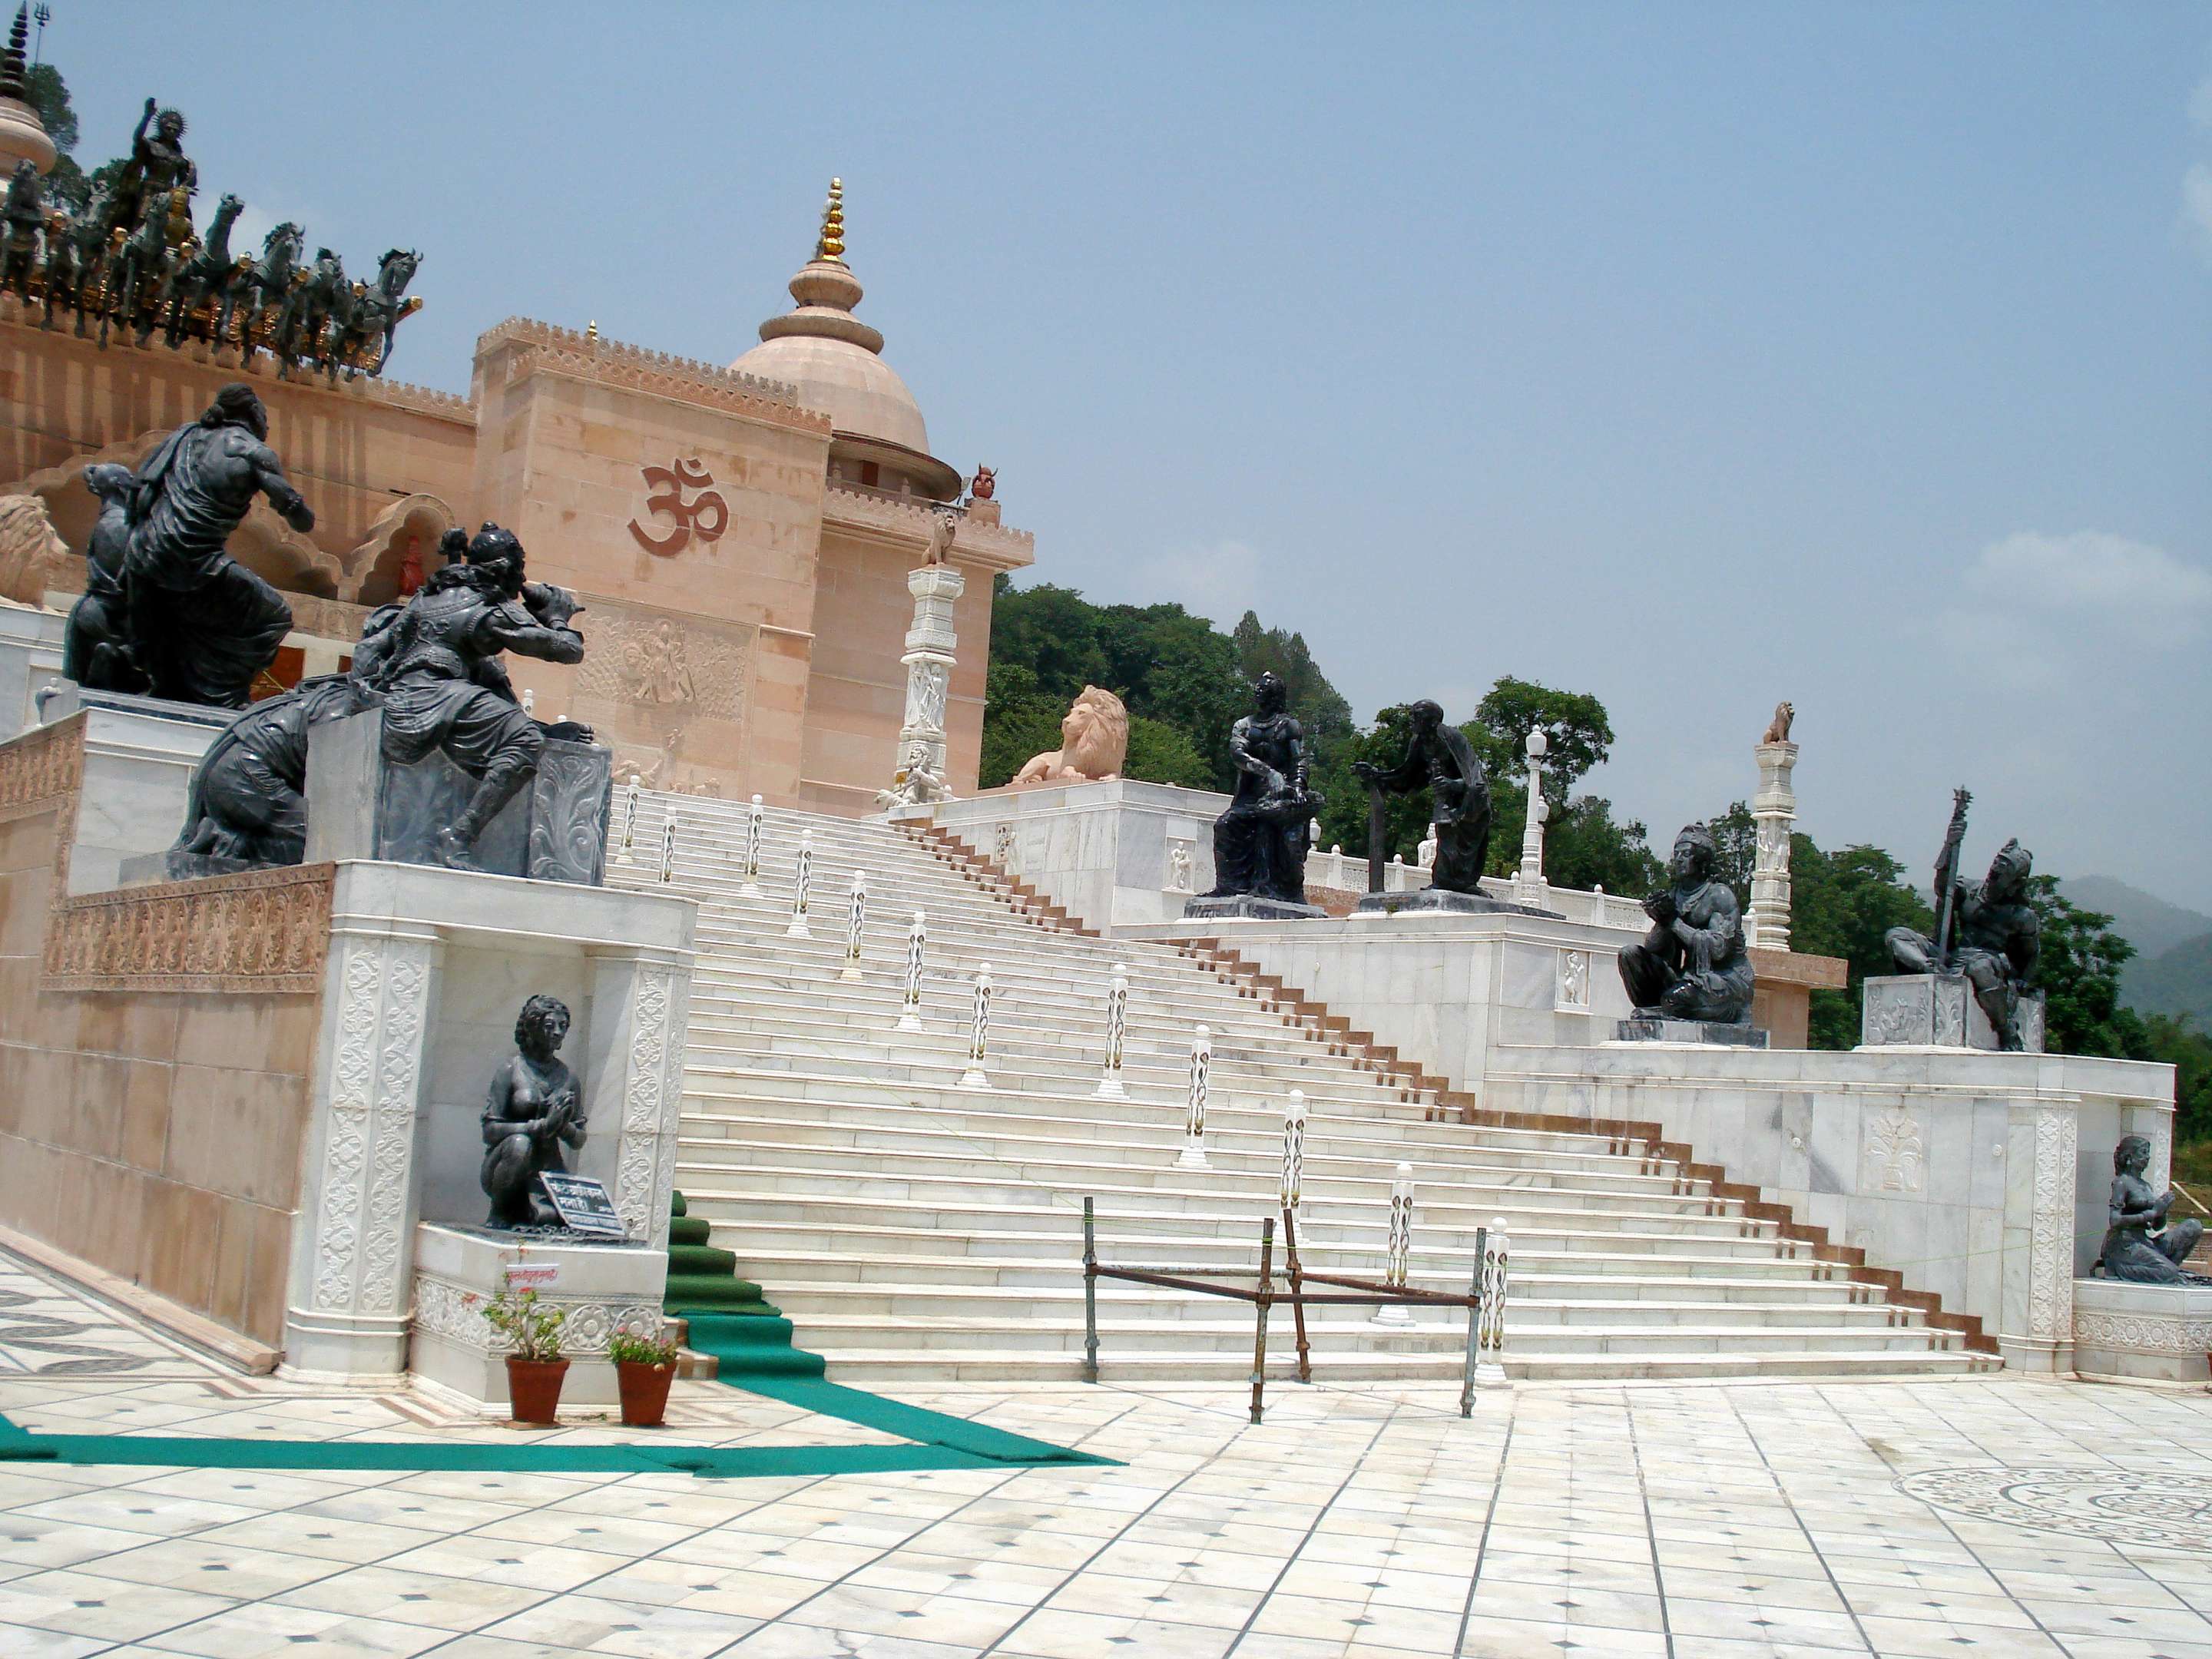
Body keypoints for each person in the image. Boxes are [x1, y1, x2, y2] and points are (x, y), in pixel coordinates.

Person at [353, 523, 588, 871]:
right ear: (507, 570)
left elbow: (371, 647)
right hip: (438, 696)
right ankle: (459, 837)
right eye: (520, 569)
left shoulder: (427, 598)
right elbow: (568, 650)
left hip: (403, 696)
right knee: (523, 740)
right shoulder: (489, 607)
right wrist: (556, 617)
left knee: (493, 681)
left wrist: (365, 690)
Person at [121, 383, 308, 706]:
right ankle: (220, 695)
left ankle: (178, 686)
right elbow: (302, 521)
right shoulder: (253, 452)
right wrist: (296, 504)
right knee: (274, 616)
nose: (268, 424)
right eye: (265, 415)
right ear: (252, 414)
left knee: (201, 614)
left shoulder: (185, 437)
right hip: (193, 563)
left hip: (143, 555)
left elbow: (139, 494)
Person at [1886, 810, 2039, 1051]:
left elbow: (2031, 955)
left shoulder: (2021, 916)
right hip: (1953, 952)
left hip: (1987, 959)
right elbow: (1942, 887)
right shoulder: (1968, 890)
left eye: (2000, 876)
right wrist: (1949, 844)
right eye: (1993, 871)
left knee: (1980, 969)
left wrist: (2022, 982)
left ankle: (2006, 1030)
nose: (1992, 878)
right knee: (1897, 935)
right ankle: (1927, 966)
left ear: (2014, 883)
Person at [1203, 671, 1323, 905]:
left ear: (1275, 695)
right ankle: (1229, 887)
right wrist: (1269, 772)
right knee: (1225, 825)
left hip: (1283, 797)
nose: (1258, 691)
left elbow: (1300, 760)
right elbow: (1238, 754)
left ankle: (1278, 888)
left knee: (1277, 831)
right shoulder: (1244, 725)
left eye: (1263, 689)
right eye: (1257, 688)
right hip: (1251, 797)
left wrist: (1298, 787)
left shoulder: (1289, 726)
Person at [1619, 823, 1757, 1023]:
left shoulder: (1719, 895)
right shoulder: (1676, 894)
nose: (1678, 859)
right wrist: (1660, 919)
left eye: (1685, 854)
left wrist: (1673, 921)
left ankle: (1665, 1009)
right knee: (1630, 955)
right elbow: (1654, 948)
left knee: (1678, 997)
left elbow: (1717, 949)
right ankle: (1660, 1008)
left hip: (1723, 982)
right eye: (1676, 854)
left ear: (1701, 859)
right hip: (1689, 978)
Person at [1354, 700, 1492, 894]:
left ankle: (1460, 885)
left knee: (1461, 849)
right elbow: (1407, 775)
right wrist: (1377, 775)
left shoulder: (1452, 737)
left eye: (1416, 716)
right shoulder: (1419, 741)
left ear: (1433, 720)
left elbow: (1475, 778)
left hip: (1470, 803)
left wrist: (1451, 784)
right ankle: (1445, 882)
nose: (1412, 720)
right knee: (1445, 838)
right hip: (1446, 801)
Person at [480, 995, 584, 1230]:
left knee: (548, 1219)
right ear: (533, 1027)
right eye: (549, 1026)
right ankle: (501, 1211)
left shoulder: (568, 1078)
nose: (558, 1032)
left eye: (563, 1027)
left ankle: (537, 1208)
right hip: (506, 1167)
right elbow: (489, 1131)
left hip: (548, 1170)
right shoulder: (511, 1069)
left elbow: (579, 1139)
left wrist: (562, 1125)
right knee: (520, 1143)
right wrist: (540, 1127)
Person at [2097, 1134, 2209, 1285]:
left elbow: (2157, 1226)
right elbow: (2115, 1220)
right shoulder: (2122, 1182)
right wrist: (2152, 1212)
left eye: (2148, 1153)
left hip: (2145, 1240)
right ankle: (2118, 1268)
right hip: (2125, 1244)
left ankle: (2168, 1270)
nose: (2147, 1157)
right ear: (2130, 1156)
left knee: (2193, 1226)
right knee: (2168, 1272)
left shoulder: (2146, 1185)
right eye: (2143, 1153)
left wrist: (2162, 1211)